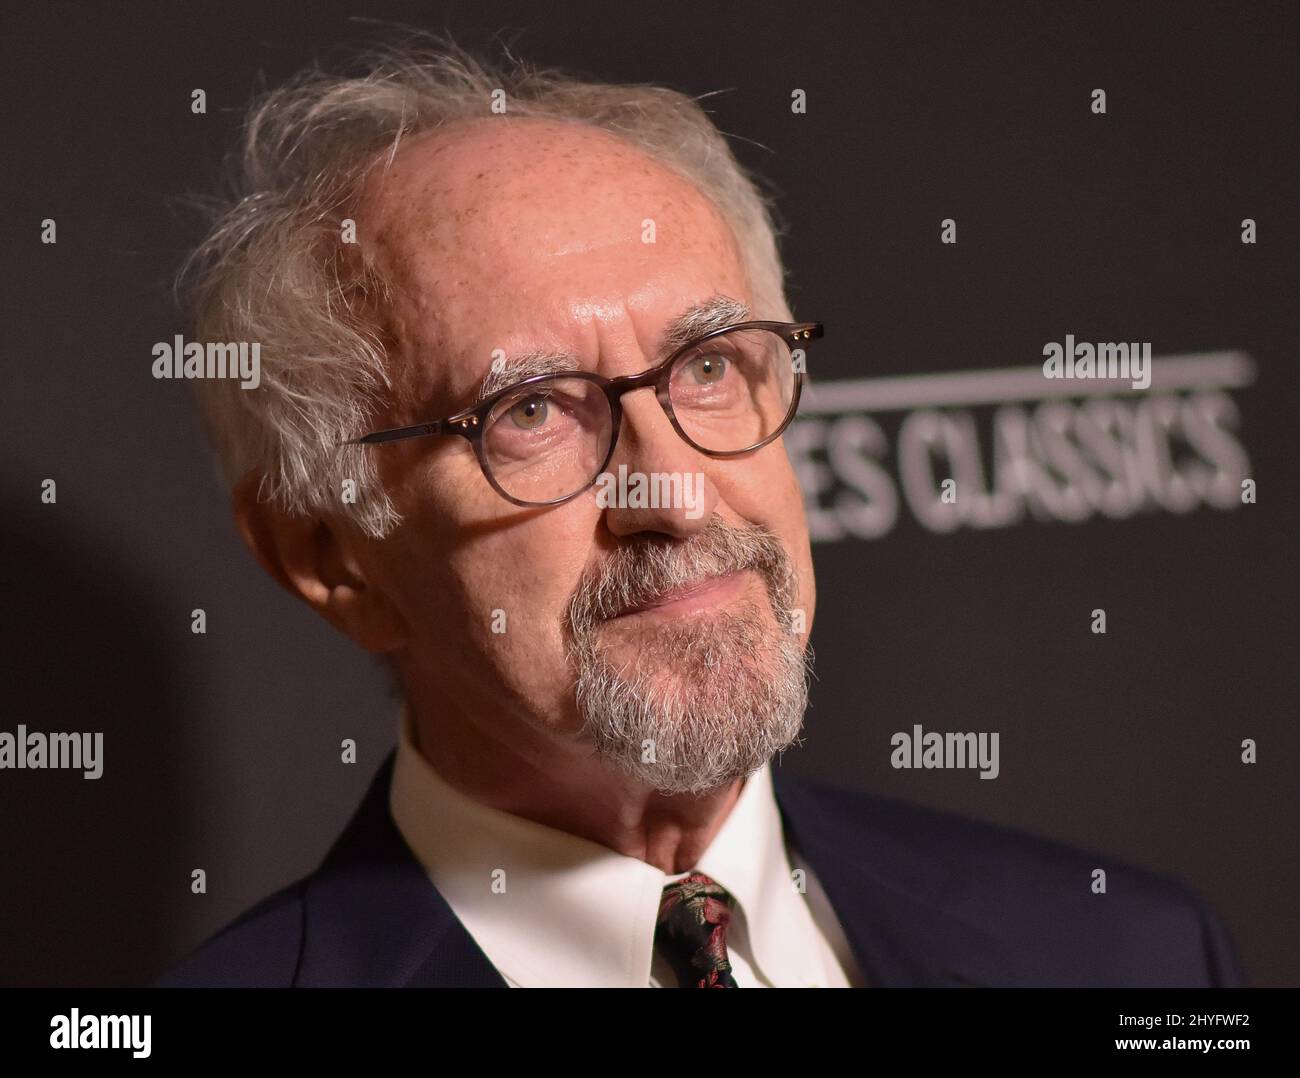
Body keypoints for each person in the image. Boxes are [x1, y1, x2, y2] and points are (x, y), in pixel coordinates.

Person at [155, 40, 1243, 988]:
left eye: (709, 364)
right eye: (528, 409)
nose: (672, 488)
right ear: (330, 554)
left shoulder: (1128, 951)